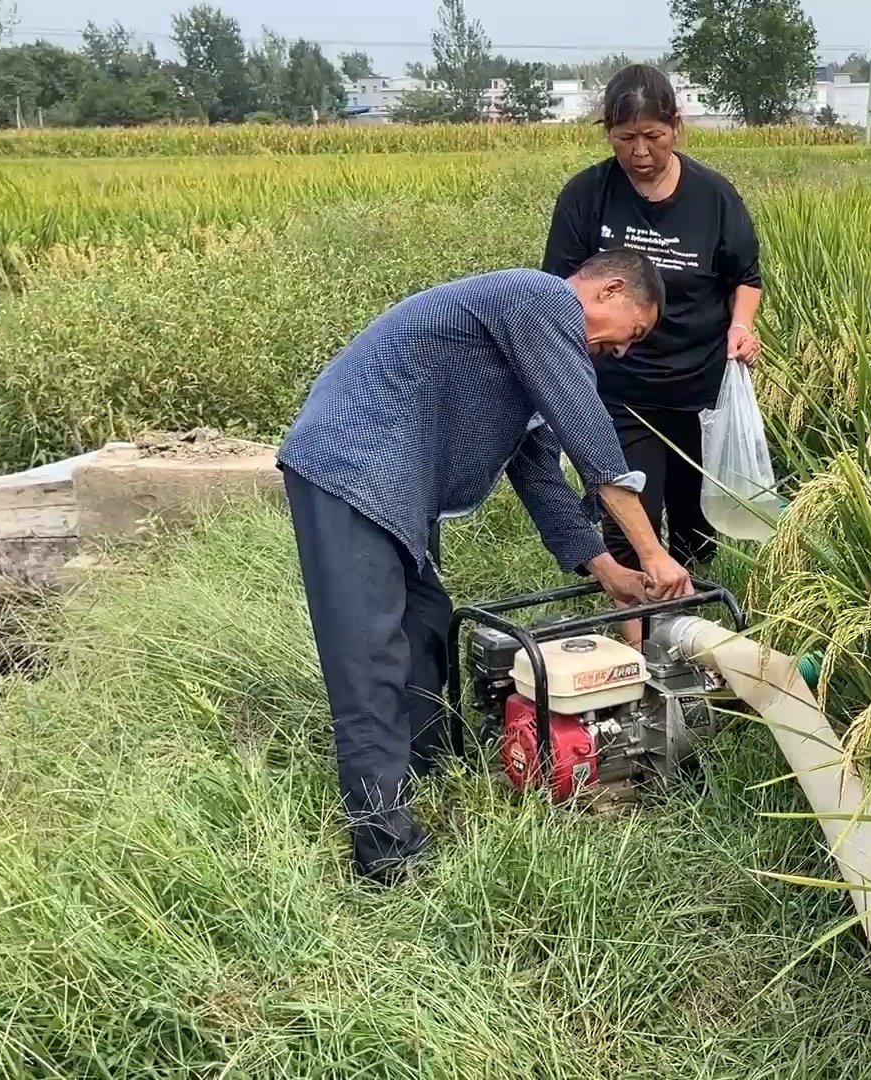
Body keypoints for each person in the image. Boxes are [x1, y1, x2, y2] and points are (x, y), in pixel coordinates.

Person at [276, 251, 692, 885]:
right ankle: (385, 849)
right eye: (631, 331)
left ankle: (427, 771)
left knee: (425, 624)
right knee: (370, 657)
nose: (622, 352)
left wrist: (607, 568)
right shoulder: (541, 298)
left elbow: (538, 472)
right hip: (350, 464)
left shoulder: (528, 339)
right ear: (610, 288)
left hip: (395, 482)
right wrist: (655, 553)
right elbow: (589, 432)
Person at [542, 63, 763, 643]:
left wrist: (741, 327)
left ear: (676, 127)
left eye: (653, 137)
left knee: (696, 526)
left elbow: (745, 275)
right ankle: (638, 661)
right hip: (620, 388)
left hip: (697, 391)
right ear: (608, 134)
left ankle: (694, 640)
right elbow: (555, 291)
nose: (639, 152)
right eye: (624, 139)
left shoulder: (713, 196)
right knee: (631, 515)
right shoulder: (588, 196)